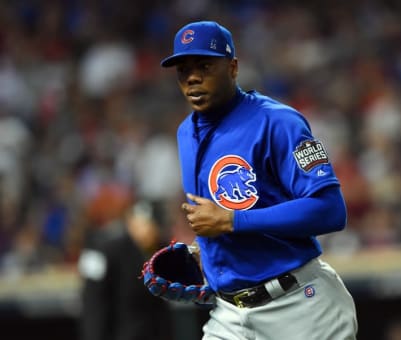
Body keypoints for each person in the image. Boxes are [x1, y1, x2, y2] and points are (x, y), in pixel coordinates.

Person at [162, 20, 358, 339]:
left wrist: (232, 222)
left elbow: (331, 210)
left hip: (300, 307)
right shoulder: (186, 132)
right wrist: (208, 254)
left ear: (233, 67)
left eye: (204, 65)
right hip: (230, 315)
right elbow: (219, 213)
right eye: (182, 69)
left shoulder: (279, 122)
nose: (192, 77)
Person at [78, 199, 174, 340]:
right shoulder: (106, 250)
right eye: (142, 224)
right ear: (131, 222)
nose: (147, 230)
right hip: (119, 332)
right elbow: (94, 303)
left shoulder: (163, 250)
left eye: (152, 225)